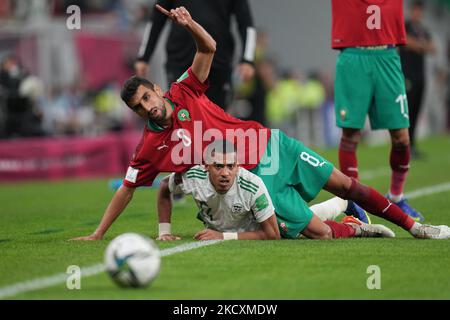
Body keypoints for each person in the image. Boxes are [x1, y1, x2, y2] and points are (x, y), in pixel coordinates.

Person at [72, 5, 450, 241]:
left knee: (347, 184)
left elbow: (209, 49)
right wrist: (98, 233)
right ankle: (354, 227)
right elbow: (127, 189)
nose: (148, 108)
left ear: (156, 89)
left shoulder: (183, 90)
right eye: (140, 107)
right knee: (317, 235)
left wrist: (189, 24)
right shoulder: (149, 148)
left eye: (147, 98)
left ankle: (416, 228)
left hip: (271, 144)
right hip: (254, 179)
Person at [156, 140, 392, 241]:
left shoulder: (251, 185)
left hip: (265, 220)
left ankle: (356, 227)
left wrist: (222, 236)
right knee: (310, 219)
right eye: (218, 166)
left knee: (320, 234)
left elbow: (272, 235)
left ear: (238, 166)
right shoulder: (193, 177)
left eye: (231, 166)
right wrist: (164, 230)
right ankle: (343, 203)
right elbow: (165, 187)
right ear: (206, 166)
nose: (225, 173)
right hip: (244, 221)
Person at [331, 0, 424, 222]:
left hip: (387, 56)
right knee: (351, 134)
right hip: (354, 58)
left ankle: (397, 196)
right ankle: (352, 200)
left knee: (402, 138)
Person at [135, 0, 255, 109]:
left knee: (216, 121)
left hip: (218, 63)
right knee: (182, 117)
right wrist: (144, 57)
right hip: (180, 62)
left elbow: (246, 23)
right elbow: (156, 20)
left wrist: (247, 59)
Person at [399, 0, 436, 159]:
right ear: (411, 10)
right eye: (416, 10)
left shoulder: (423, 30)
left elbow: (433, 48)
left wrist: (419, 45)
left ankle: (412, 145)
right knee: (406, 112)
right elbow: (405, 42)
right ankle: (403, 146)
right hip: (407, 76)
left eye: (420, 10)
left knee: (415, 112)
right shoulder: (405, 26)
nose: (418, 13)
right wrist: (421, 45)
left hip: (421, 77)